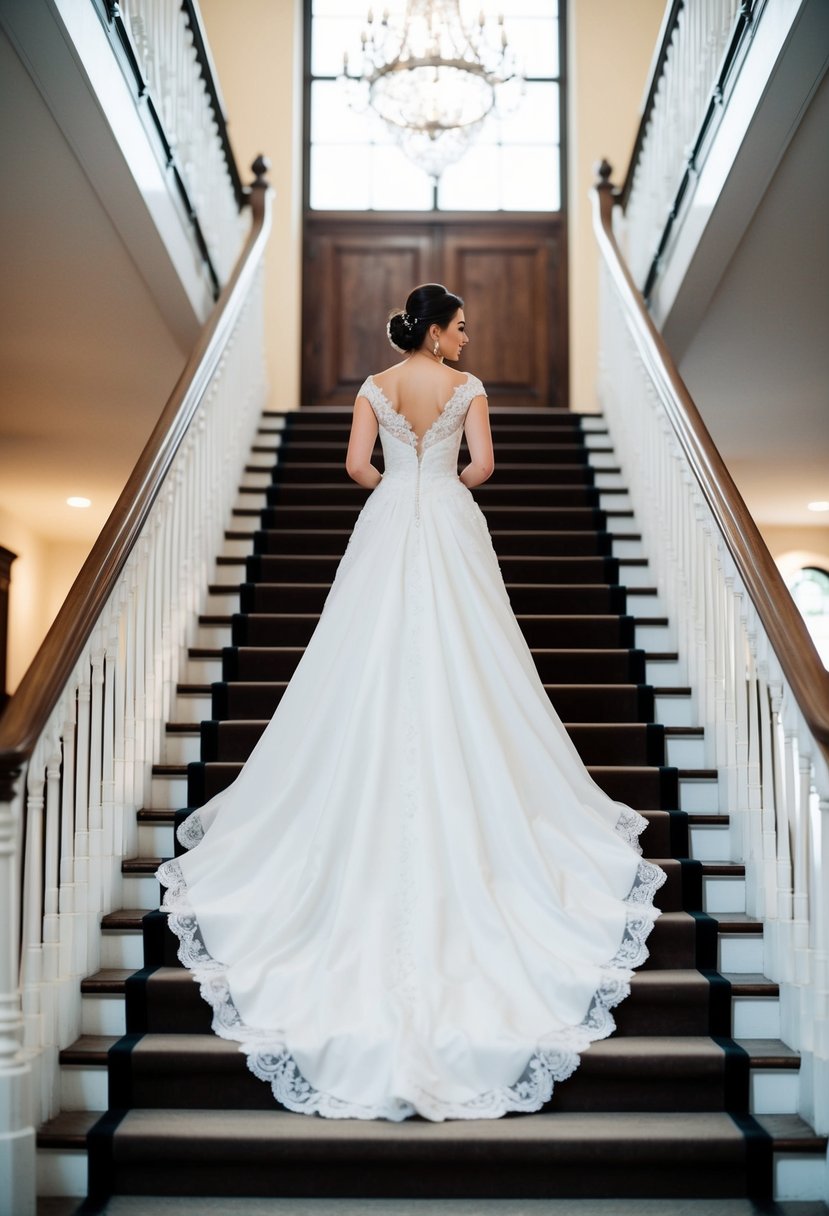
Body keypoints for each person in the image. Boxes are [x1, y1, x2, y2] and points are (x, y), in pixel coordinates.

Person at [157, 283, 667, 1123]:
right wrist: (445, 477)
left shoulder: (372, 386)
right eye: (461, 326)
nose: (468, 339)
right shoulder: (466, 392)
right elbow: (486, 468)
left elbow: (356, 468)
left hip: (390, 517)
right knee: (473, 648)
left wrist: (398, 481)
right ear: (435, 330)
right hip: (451, 517)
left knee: (365, 645)